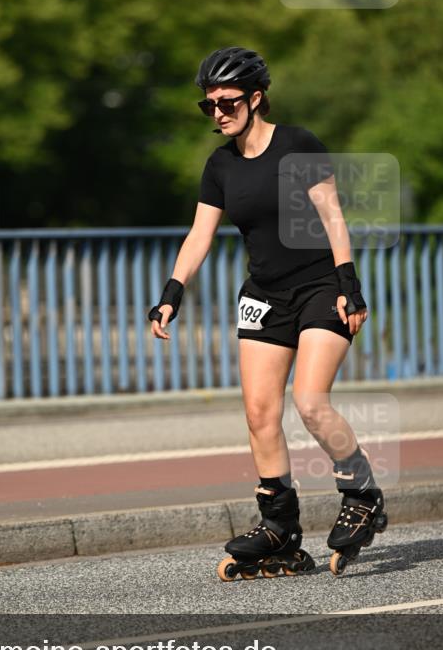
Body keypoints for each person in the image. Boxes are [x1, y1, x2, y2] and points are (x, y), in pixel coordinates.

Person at [148, 47, 387, 578]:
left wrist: (350, 284)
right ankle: (279, 526)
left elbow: (333, 218)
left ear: (256, 98)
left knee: (309, 402)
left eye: (227, 101)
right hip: (264, 293)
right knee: (259, 412)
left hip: (321, 284)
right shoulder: (219, 166)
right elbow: (199, 236)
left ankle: (362, 493)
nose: (218, 113)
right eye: (208, 105)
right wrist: (172, 292)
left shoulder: (298, 145)